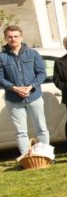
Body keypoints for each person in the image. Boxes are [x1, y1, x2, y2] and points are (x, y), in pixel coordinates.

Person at [0, 24, 50, 157]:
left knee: (41, 128)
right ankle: (25, 158)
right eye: (10, 37)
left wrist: (30, 87)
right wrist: (14, 88)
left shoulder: (33, 53)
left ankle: (46, 155)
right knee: (21, 131)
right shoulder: (2, 57)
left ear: (21, 37)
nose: (13, 39)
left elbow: (41, 74)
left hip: (34, 96)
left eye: (16, 36)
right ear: (5, 38)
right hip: (14, 99)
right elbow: (0, 78)